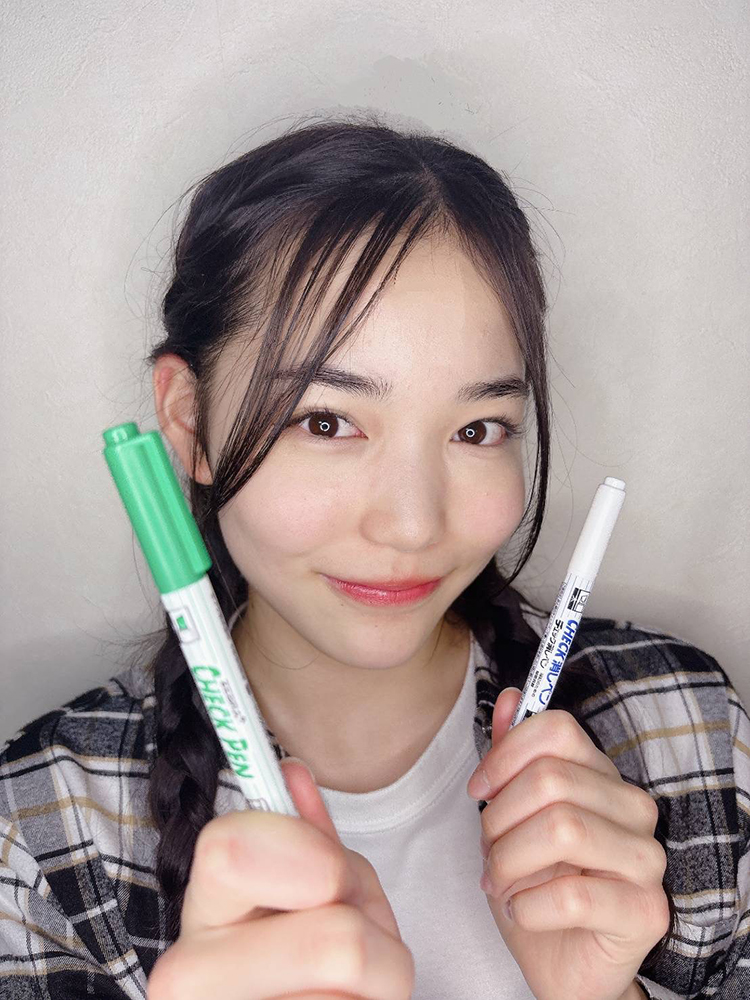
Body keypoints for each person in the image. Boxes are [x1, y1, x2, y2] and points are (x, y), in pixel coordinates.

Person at [1, 115, 747, 1000]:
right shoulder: (44, 832)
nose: (413, 525)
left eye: (479, 429)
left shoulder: (686, 727)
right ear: (188, 421)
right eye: (326, 422)